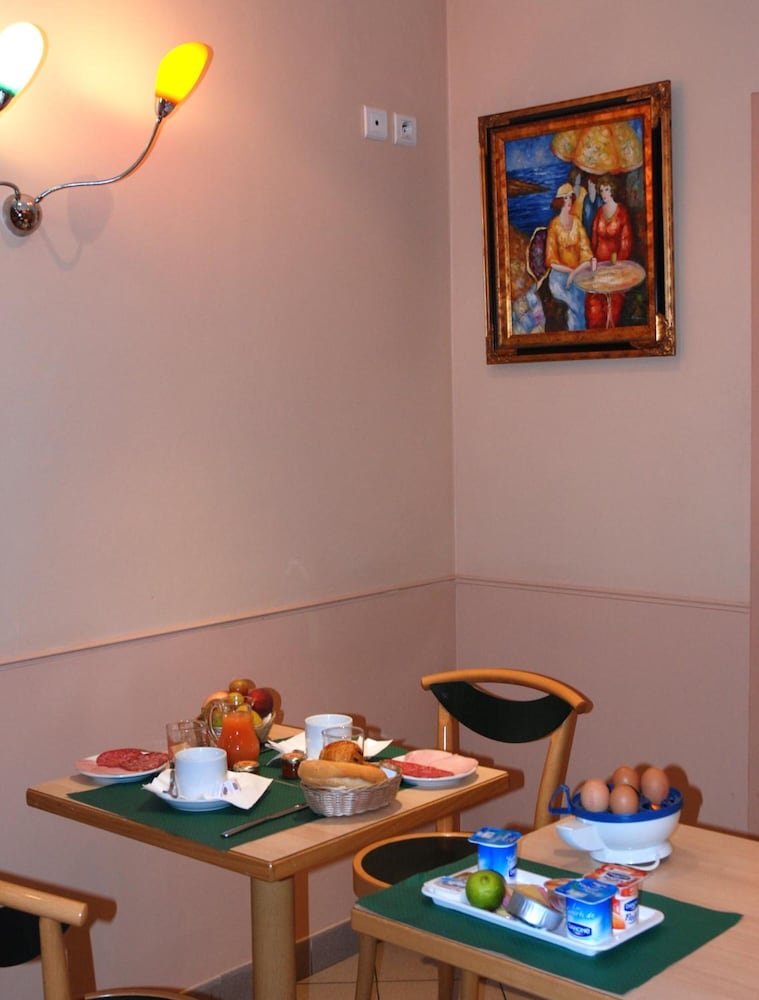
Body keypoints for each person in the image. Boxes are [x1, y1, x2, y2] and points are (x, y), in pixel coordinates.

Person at [586, 174, 633, 329]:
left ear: (612, 189)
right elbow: (594, 240)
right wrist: (592, 259)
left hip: (616, 267)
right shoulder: (599, 212)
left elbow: (626, 243)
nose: (604, 194)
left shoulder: (622, 212)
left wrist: (616, 263)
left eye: (606, 189)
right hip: (598, 268)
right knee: (593, 307)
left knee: (612, 309)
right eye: (601, 190)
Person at [544, 182, 593, 331]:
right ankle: (577, 334)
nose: (569, 201)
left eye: (570, 197)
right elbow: (551, 260)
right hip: (559, 277)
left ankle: (578, 334)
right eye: (565, 198)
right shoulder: (554, 225)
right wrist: (569, 272)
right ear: (560, 201)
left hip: (578, 274)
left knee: (581, 300)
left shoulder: (577, 223)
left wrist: (575, 272)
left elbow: (587, 253)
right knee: (575, 304)